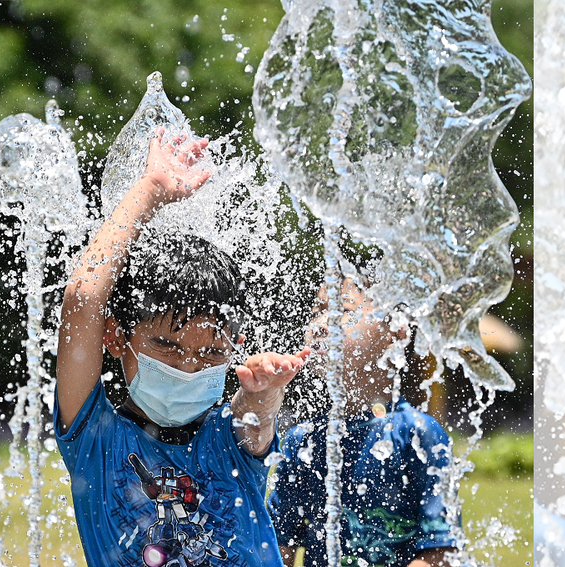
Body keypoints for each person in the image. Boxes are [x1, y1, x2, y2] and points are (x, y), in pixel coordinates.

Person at [54, 128, 310, 567]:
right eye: (167, 347)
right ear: (116, 338)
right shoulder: (96, 439)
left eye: (211, 354)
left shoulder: (228, 439)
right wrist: (149, 191)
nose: (189, 368)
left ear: (236, 350)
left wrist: (262, 393)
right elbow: (82, 299)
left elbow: (257, 423)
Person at [268, 274, 457, 567]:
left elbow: (439, 553)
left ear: (396, 332)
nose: (320, 325)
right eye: (317, 311)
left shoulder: (418, 435)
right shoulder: (300, 442)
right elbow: (278, 548)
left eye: (342, 312)